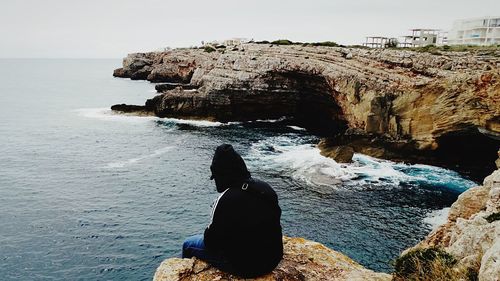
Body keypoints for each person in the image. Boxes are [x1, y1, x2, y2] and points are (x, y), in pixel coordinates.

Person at [182, 144, 283, 278]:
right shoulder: (265, 188)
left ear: (221, 175)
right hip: (273, 259)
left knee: (188, 244)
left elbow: (211, 242)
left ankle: (186, 275)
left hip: (246, 267)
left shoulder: (225, 199)